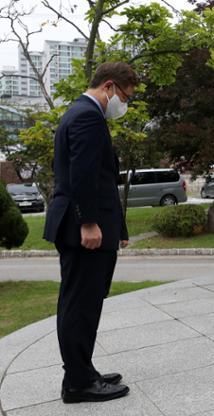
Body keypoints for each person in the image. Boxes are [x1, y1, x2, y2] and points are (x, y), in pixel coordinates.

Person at [43, 62, 138, 403]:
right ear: (110, 87)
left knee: (80, 302)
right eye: (126, 96)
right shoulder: (87, 116)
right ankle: (78, 383)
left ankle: (82, 371)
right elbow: (82, 174)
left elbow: (101, 180)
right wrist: (88, 222)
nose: (124, 105)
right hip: (80, 228)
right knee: (80, 305)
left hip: (81, 224)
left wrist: (119, 228)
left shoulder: (80, 113)